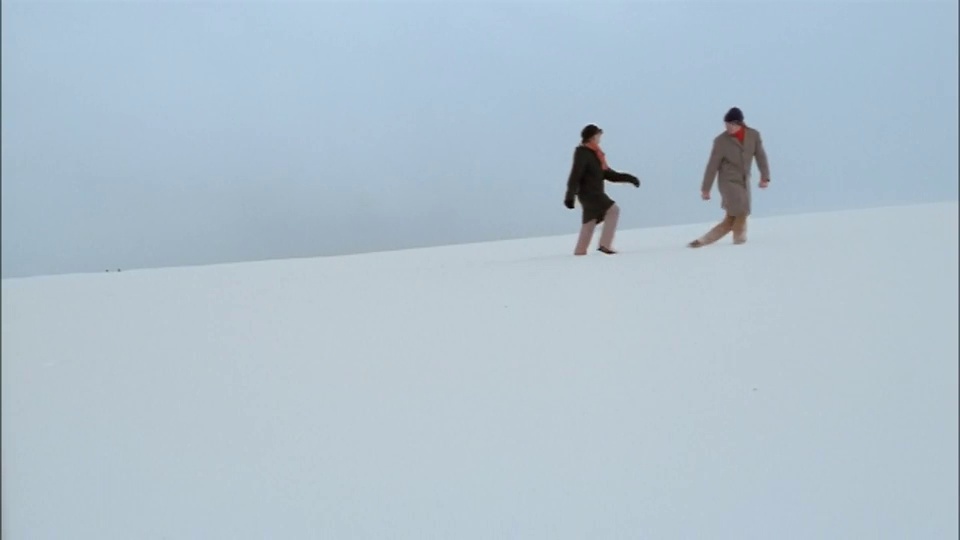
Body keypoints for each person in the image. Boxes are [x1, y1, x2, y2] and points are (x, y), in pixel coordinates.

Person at [689, 107, 771, 248]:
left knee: (732, 216)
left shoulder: (753, 136)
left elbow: (761, 157)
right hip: (728, 182)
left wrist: (765, 176)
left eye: (731, 125)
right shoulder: (721, 141)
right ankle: (739, 242)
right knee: (741, 209)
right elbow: (712, 166)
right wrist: (705, 189)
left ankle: (702, 241)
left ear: (739, 123)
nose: (728, 128)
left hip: (744, 180)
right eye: (726, 125)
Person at [563, 124, 640, 255]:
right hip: (591, 194)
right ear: (592, 137)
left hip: (591, 194)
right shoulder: (583, 153)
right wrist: (569, 196)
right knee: (613, 210)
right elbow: (575, 175)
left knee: (590, 222)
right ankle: (605, 245)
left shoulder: (596, 155)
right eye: (599, 135)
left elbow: (609, 174)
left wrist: (629, 178)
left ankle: (579, 252)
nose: (600, 137)